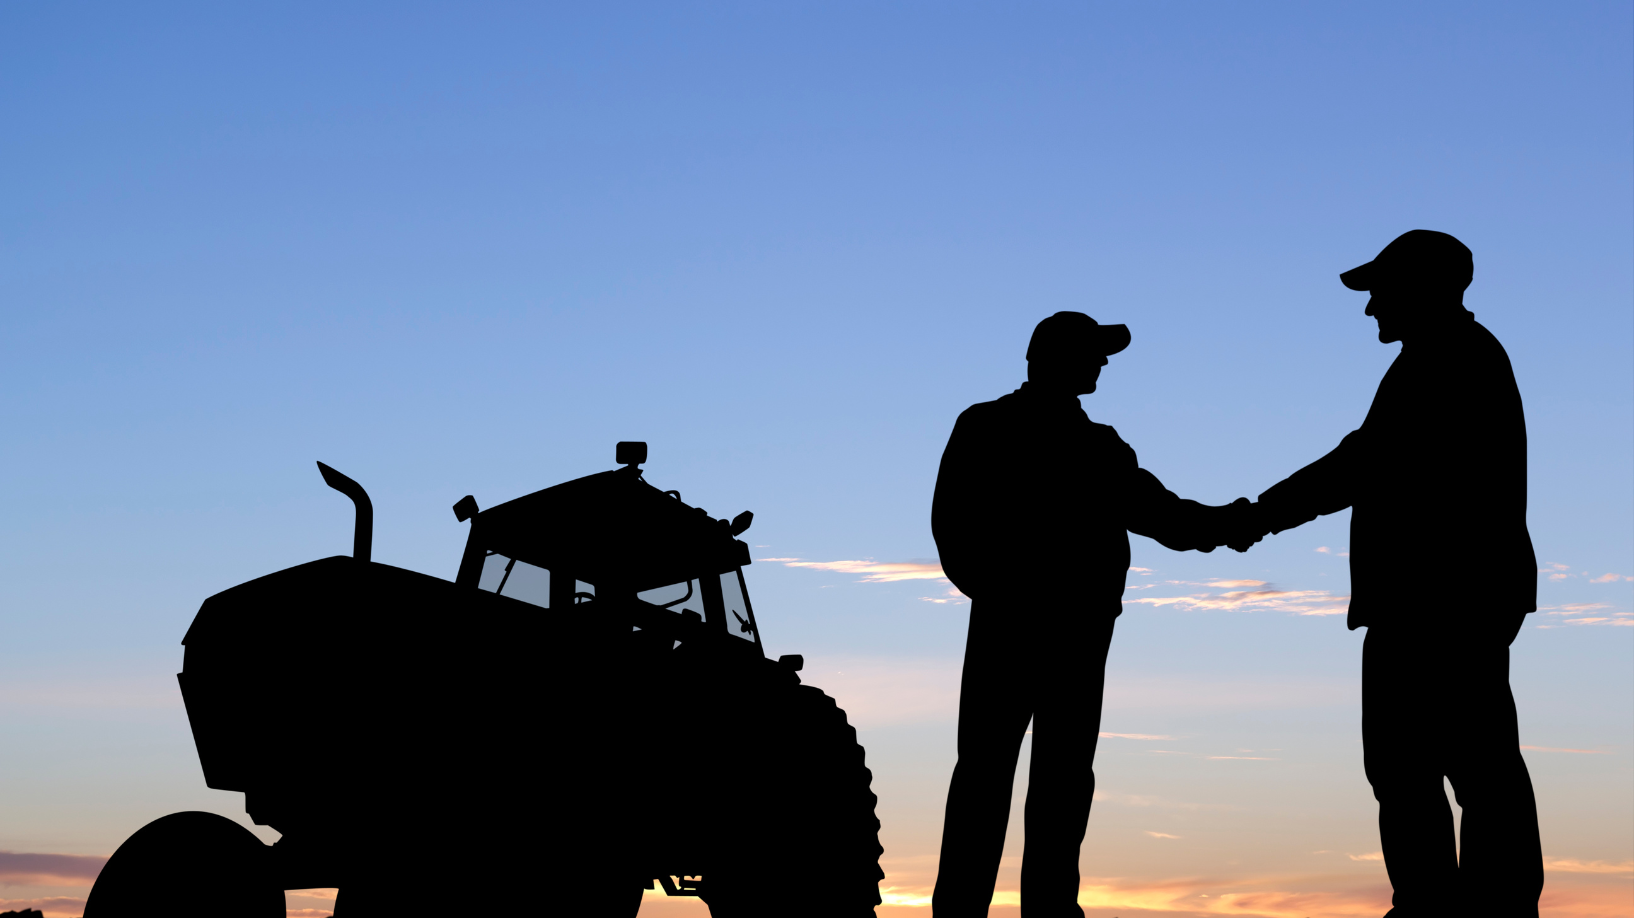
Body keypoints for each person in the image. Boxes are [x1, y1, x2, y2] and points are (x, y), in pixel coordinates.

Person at [1233, 230, 1543, 918]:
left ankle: (1468, 907)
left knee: (1444, 767)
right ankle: (1452, 903)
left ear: (1421, 288)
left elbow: (1361, 462)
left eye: (1381, 290)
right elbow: (1367, 459)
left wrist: (1256, 516)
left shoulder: (1450, 361)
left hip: (1438, 600)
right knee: (1435, 766)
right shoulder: (1444, 359)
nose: (1370, 307)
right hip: (1444, 597)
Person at [930, 311, 1250, 918]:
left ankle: (1042, 908)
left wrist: (1228, 523)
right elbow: (953, 526)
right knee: (994, 772)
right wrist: (1004, 594)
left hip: (1072, 631)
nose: (1102, 364)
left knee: (1058, 773)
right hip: (1025, 626)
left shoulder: (1096, 445)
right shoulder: (991, 426)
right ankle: (968, 911)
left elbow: (1166, 516)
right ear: (1051, 358)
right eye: (1092, 353)